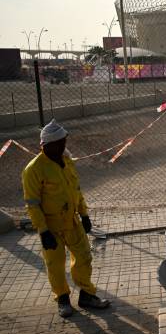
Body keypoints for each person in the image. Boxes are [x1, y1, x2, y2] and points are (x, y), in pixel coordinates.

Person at [22, 119, 110, 317]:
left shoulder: (66, 161)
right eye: (59, 144)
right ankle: (62, 299)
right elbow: (32, 204)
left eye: (64, 142)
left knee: (84, 257)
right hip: (51, 226)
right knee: (55, 265)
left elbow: (76, 190)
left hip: (72, 221)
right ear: (46, 146)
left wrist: (84, 214)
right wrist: (43, 231)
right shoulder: (34, 169)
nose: (63, 146)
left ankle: (87, 295)